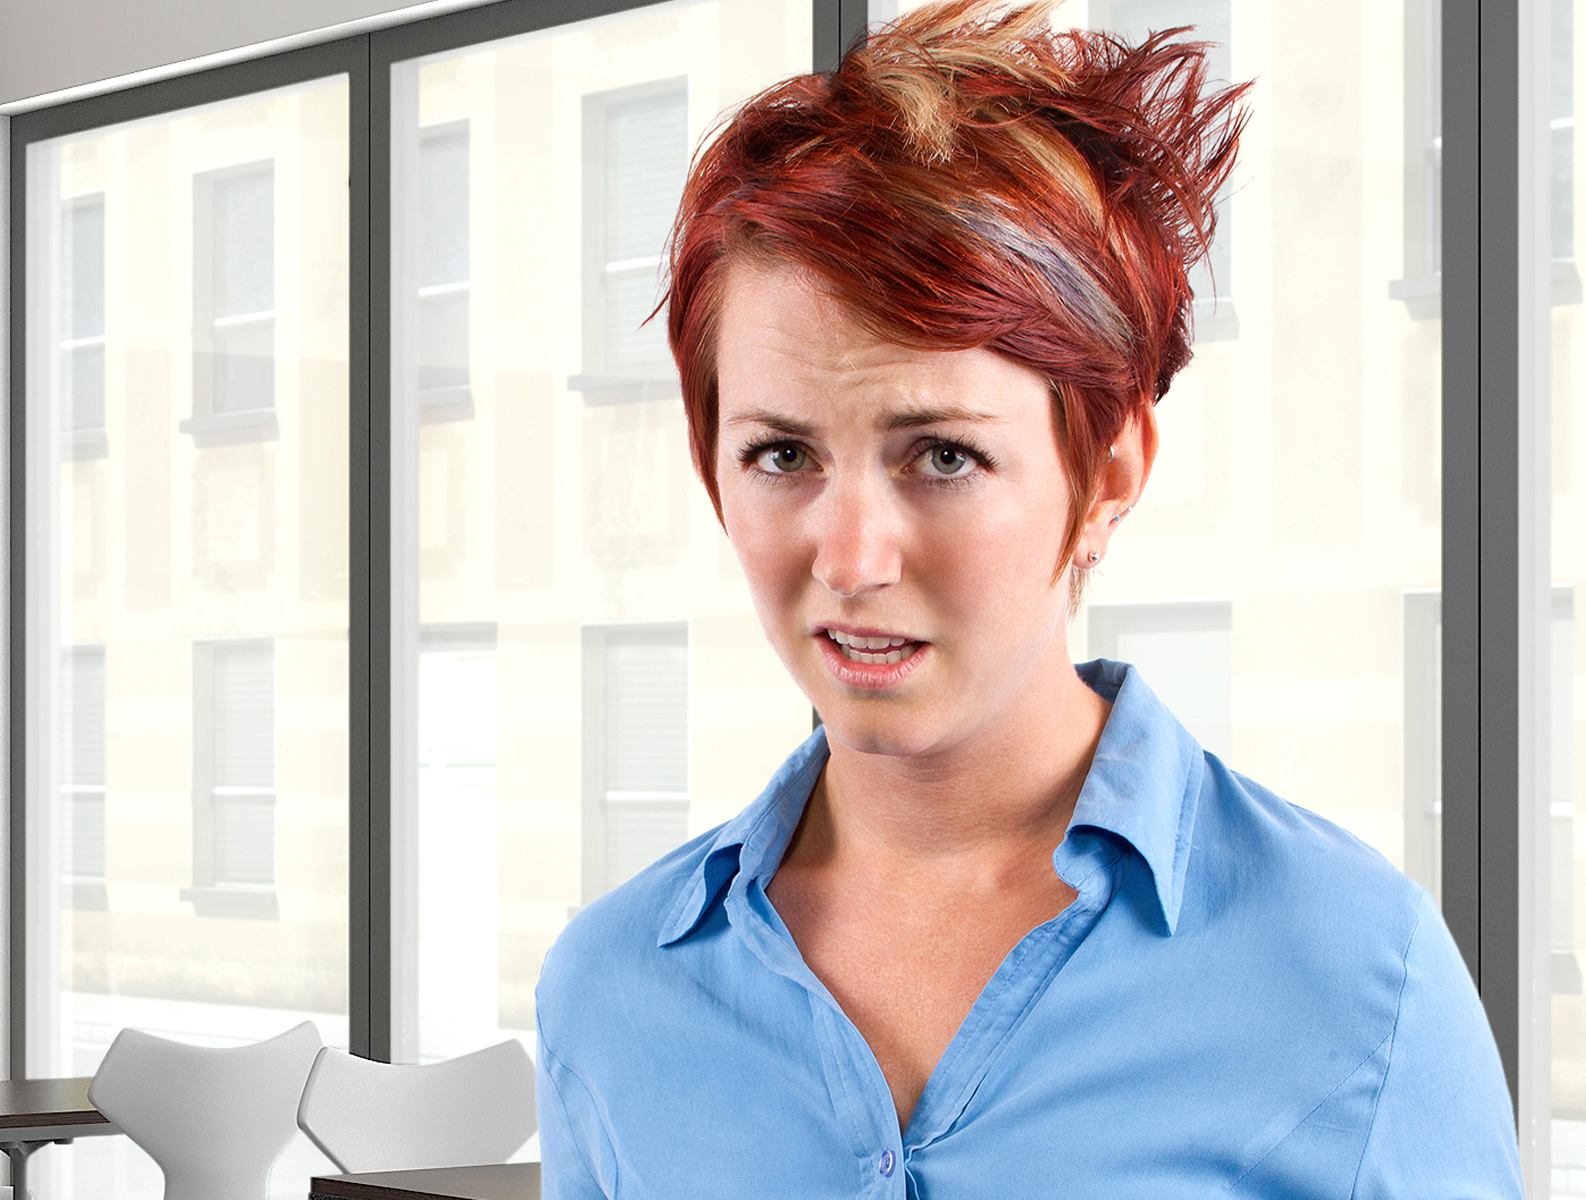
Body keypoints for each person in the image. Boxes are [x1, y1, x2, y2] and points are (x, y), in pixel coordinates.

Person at [533, 2, 1522, 1194]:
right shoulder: (613, 991)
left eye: (941, 454)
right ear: (713, 470)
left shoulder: (1360, 977)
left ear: (1107, 472)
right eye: (781, 456)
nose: (851, 557)